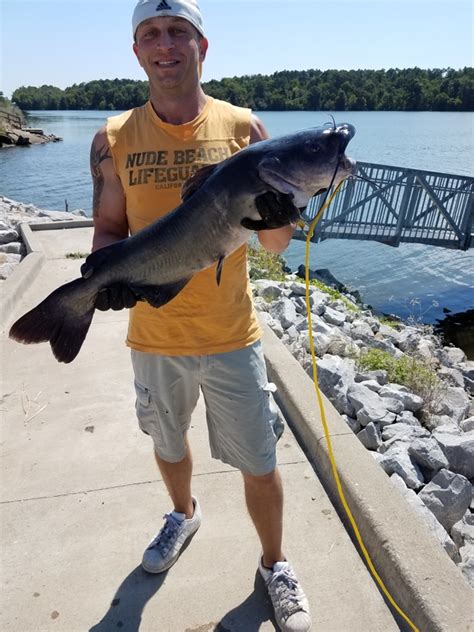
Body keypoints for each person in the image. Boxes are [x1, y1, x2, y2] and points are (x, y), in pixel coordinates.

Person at [89, 1, 311, 630]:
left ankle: (275, 565)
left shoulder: (246, 129)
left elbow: (273, 246)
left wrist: (277, 217)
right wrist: (107, 276)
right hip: (153, 335)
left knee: (260, 462)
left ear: (202, 46)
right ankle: (183, 514)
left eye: (178, 32)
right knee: (167, 442)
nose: (165, 45)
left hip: (230, 333)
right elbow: (108, 232)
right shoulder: (112, 138)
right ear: (137, 51)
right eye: (151, 35)